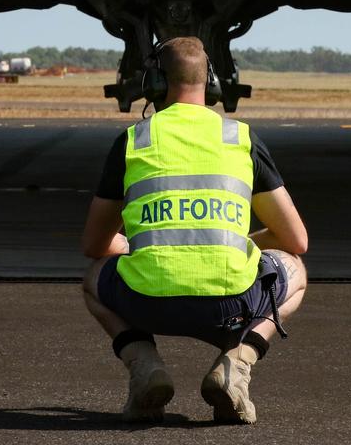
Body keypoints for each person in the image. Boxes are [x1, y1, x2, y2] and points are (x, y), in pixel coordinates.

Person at [81, 36, 307, 424]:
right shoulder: (240, 138)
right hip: (232, 305)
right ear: (212, 83)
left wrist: (146, 247)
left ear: (154, 82)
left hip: (147, 303)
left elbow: (94, 244)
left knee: (94, 279)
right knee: (295, 270)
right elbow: (296, 240)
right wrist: (235, 244)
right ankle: (238, 365)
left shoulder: (134, 140)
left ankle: (145, 366)